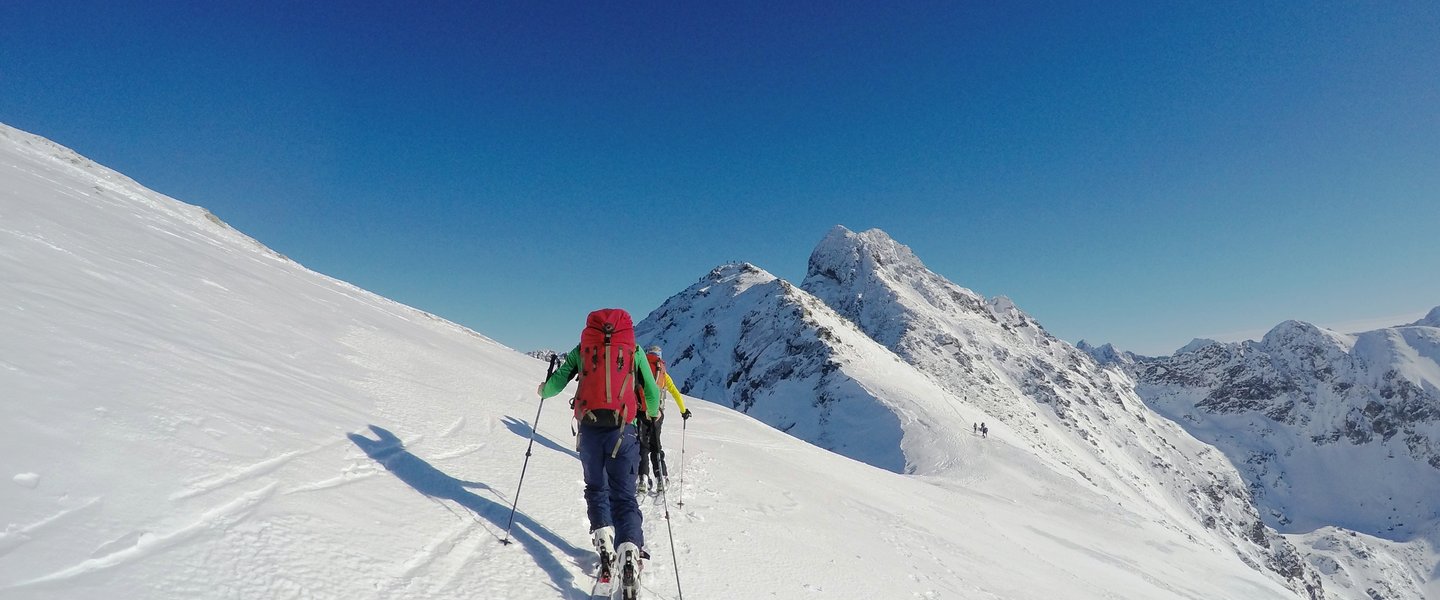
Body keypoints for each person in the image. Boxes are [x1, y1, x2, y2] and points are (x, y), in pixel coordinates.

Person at [537, 309, 660, 591]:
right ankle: (628, 547)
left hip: (591, 432)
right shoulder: (634, 350)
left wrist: (543, 390)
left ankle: (604, 541)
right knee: (625, 498)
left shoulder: (583, 349)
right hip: (623, 431)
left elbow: (555, 385)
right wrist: (651, 415)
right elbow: (651, 393)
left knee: (596, 489)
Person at [635, 345, 692, 494]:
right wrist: (683, 411)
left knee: (642, 446)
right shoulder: (663, 374)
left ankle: (642, 479)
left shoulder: (641, 370)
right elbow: (675, 393)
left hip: (641, 413)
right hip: (658, 415)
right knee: (656, 446)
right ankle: (661, 478)